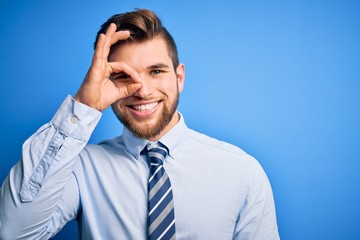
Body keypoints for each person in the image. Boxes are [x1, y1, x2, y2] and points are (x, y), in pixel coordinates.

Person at [0, 9, 279, 240]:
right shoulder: (80, 168)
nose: (142, 91)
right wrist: (84, 104)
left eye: (156, 71)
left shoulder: (242, 171)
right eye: (123, 75)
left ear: (179, 77)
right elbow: (12, 232)